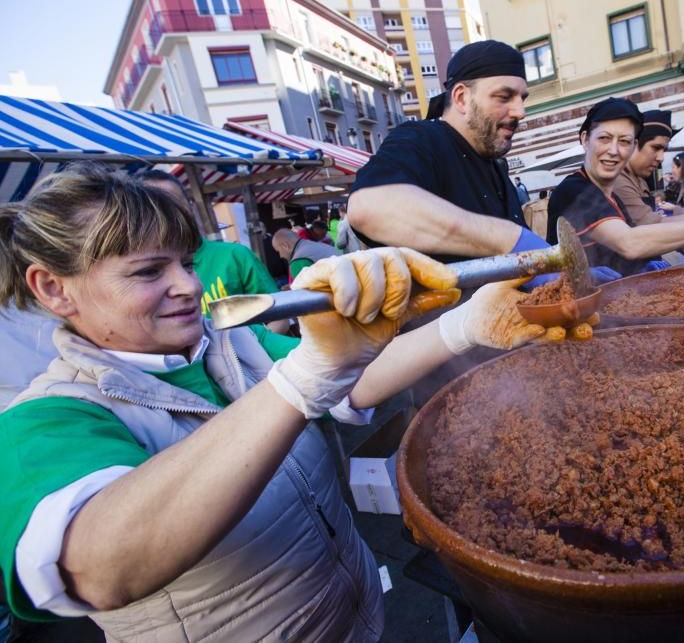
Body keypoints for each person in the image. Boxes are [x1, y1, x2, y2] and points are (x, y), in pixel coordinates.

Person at [0, 165, 576, 641]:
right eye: (150, 272)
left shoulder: (231, 342)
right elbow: (103, 567)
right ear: (54, 288)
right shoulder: (44, 419)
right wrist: (300, 379)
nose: (188, 287)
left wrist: (464, 327)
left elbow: (347, 384)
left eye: (187, 262)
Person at [345, 40, 618, 285]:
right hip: (442, 336)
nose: (520, 112)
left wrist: (567, 274)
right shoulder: (421, 138)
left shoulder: (496, 166)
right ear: (462, 98)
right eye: (504, 97)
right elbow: (369, 207)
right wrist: (509, 239)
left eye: (522, 98)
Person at [546, 97, 684, 277]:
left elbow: (634, 238)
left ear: (633, 145)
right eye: (604, 138)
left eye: (624, 141)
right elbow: (630, 243)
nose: (614, 151)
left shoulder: (611, 194)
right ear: (585, 139)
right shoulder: (573, 190)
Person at [135, 169, 290, 333]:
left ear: (190, 208)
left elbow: (279, 317)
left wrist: (251, 353)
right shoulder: (137, 276)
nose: (166, 216)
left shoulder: (234, 256)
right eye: (153, 209)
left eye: (174, 205)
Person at [612, 110, 674, 225]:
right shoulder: (617, 180)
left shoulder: (640, 180)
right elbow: (650, 224)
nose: (661, 158)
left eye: (664, 150)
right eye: (656, 148)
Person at [272, 227, 343, 282]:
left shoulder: (298, 261)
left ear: (285, 246)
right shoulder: (312, 245)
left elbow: (306, 295)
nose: (280, 256)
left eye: (278, 251)